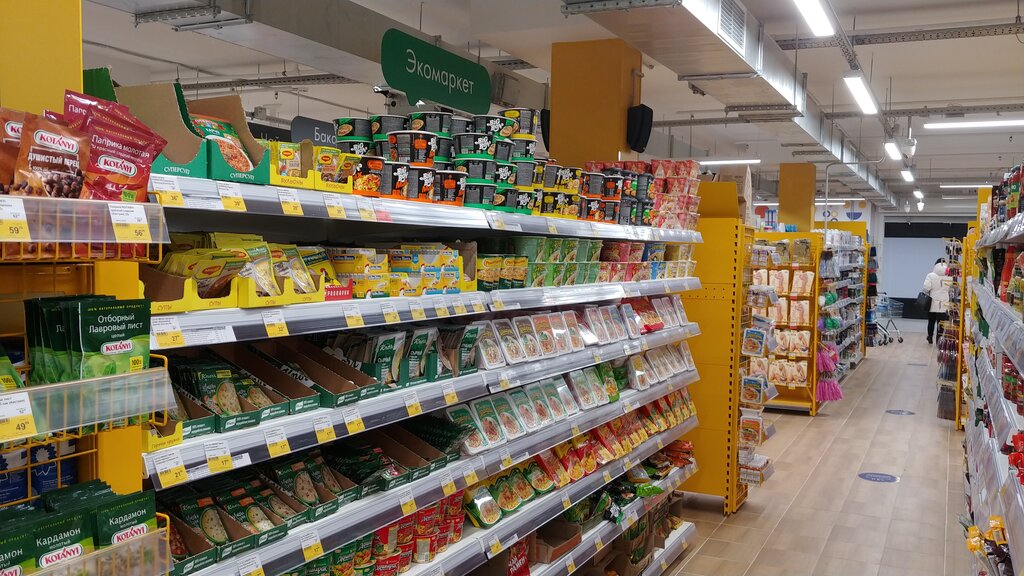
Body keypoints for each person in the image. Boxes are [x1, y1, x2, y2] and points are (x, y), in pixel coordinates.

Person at [922, 258, 950, 344]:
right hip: (944, 303)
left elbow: (926, 288)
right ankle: (939, 339)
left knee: (931, 321)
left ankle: (930, 337)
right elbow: (951, 288)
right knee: (941, 323)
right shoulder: (949, 276)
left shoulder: (930, 275)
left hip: (932, 302)